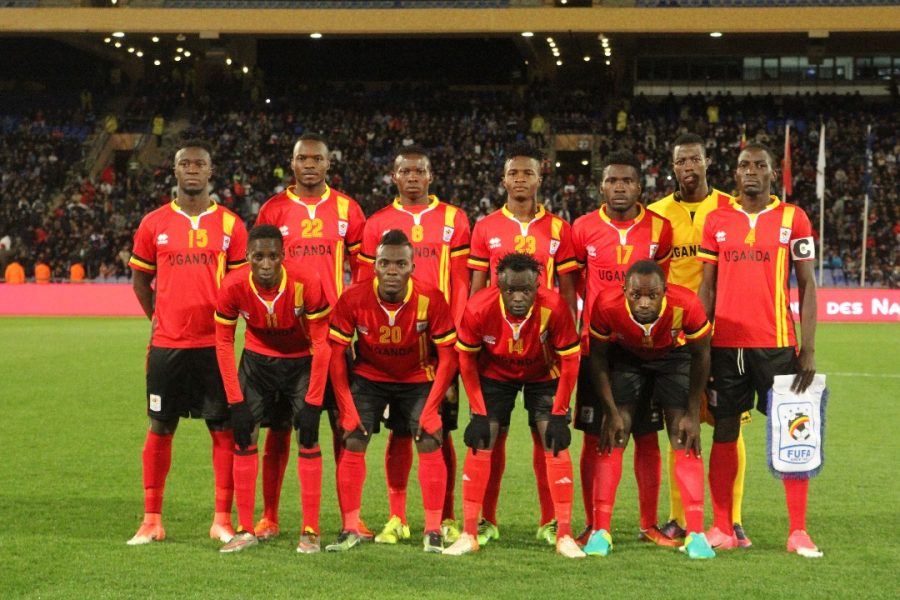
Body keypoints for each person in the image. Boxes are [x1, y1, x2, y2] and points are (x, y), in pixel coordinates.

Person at [698, 142, 821, 557]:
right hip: (726, 346)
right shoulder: (717, 219)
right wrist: (700, 345)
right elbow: (707, 288)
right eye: (744, 165)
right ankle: (721, 526)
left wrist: (808, 348)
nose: (751, 171)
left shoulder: (794, 217)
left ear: (773, 172)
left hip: (778, 345)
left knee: (794, 433)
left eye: (759, 165)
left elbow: (807, 285)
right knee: (725, 432)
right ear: (734, 173)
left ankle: (798, 531)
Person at [127, 139, 248, 546]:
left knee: (222, 427)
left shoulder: (231, 225)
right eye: (185, 164)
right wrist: (160, 319)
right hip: (168, 345)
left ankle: (221, 520)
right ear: (175, 170)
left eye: (199, 164)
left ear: (211, 171)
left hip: (215, 345)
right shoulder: (154, 223)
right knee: (161, 425)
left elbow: (239, 283)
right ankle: (151, 520)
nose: (192, 169)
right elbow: (140, 281)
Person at [254, 133, 367, 540]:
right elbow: (258, 268)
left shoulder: (348, 209)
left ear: (328, 164)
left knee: (342, 425)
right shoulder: (273, 209)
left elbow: (362, 271)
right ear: (292, 162)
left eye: (317, 159)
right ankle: (269, 516)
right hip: (284, 337)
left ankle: (350, 517)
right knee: (279, 428)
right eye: (303, 158)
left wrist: (355, 321)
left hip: (334, 336)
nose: (310, 165)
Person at [357, 145, 471, 545]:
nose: (412, 177)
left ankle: (447, 516)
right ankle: (398, 517)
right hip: (392, 346)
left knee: (440, 432)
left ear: (430, 175)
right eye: (404, 171)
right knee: (399, 433)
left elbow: (460, 281)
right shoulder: (377, 223)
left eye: (419, 171)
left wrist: (454, 339)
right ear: (394, 176)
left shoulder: (455, 219)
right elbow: (364, 285)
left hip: (438, 343)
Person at [467, 142, 578, 547]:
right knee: (490, 437)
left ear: (539, 177)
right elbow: (477, 290)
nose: (520, 179)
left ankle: (551, 522)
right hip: (496, 354)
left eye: (527, 173)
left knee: (545, 436)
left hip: (543, 353)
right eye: (513, 173)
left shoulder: (560, 229)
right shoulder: (485, 227)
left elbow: (568, 293)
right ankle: (486, 520)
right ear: (503, 179)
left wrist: (567, 341)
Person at [443, 252, 584, 558]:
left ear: (538, 285)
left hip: (543, 373)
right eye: (511, 290)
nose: (518, 297)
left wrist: (559, 413)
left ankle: (563, 533)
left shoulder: (555, 307)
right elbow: (466, 360)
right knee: (482, 438)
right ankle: (471, 532)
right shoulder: (479, 307)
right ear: (498, 286)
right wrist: (478, 411)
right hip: (495, 374)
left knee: (554, 440)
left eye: (526, 290)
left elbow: (571, 361)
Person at [325, 230, 458, 553]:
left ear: (413, 267)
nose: (392, 270)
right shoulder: (353, 298)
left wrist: (432, 408)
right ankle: (350, 527)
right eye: (385, 263)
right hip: (370, 376)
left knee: (429, 437)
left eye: (400, 264)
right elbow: (336, 355)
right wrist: (347, 408)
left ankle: (432, 530)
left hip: (418, 376)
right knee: (353, 436)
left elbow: (449, 357)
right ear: (375, 266)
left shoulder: (431, 298)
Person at [647, 133, 750, 547]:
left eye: (695, 159)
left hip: (722, 335)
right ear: (672, 167)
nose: (688, 167)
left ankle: (732, 519)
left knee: (728, 427)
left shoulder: (731, 208)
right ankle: (677, 516)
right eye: (681, 161)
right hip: (674, 337)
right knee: (678, 426)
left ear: (707, 162)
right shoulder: (656, 214)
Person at [570, 150, 673, 546]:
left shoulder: (660, 229)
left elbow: (663, 285)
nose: (619, 187)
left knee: (647, 436)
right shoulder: (583, 228)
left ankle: (648, 525)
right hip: (597, 349)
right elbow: (575, 284)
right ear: (601, 186)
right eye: (612, 180)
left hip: (646, 349)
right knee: (594, 436)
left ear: (639, 186)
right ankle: (594, 523)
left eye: (627, 181)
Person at [583, 260, 714, 560]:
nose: (644, 303)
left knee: (683, 434)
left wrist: (693, 412)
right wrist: (610, 411)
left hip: (673, 357)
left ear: (665, 291)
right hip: (627, 358)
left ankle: (696, 533)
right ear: (624, 291)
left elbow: (701, 354)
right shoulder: (606, 304)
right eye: (636, 295)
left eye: (652, 295)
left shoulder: (686, 304)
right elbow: (598, 358)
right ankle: (601, 531)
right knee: (615, 433)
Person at [214, 225, 331, 553]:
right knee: (244, 436)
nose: (266, 264)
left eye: (273, 256)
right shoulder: (233, 285)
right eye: (258, 257)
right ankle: (245, 529)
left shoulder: (306, 281)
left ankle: (310, 530)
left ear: (283, 256)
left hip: (300, 362)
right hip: (257, 362)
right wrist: (236, 402)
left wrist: (313, 403)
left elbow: (322, 343)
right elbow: (223, 343)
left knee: (307, 437)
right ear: (247, 257)